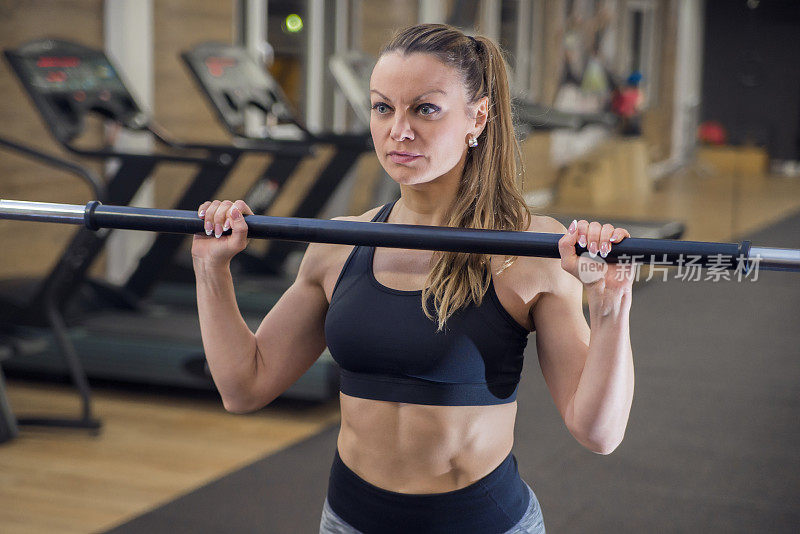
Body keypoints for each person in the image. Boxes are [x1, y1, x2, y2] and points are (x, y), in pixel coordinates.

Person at [192, 24, 635, 534]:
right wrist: (211, 268)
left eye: (425, 109)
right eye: (383, 108)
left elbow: (598, 432)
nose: (398, 130)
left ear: (479, 117)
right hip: (348, 521)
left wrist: (610, 304)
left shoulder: (530, 250)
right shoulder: (340, 243)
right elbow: (244, 386)